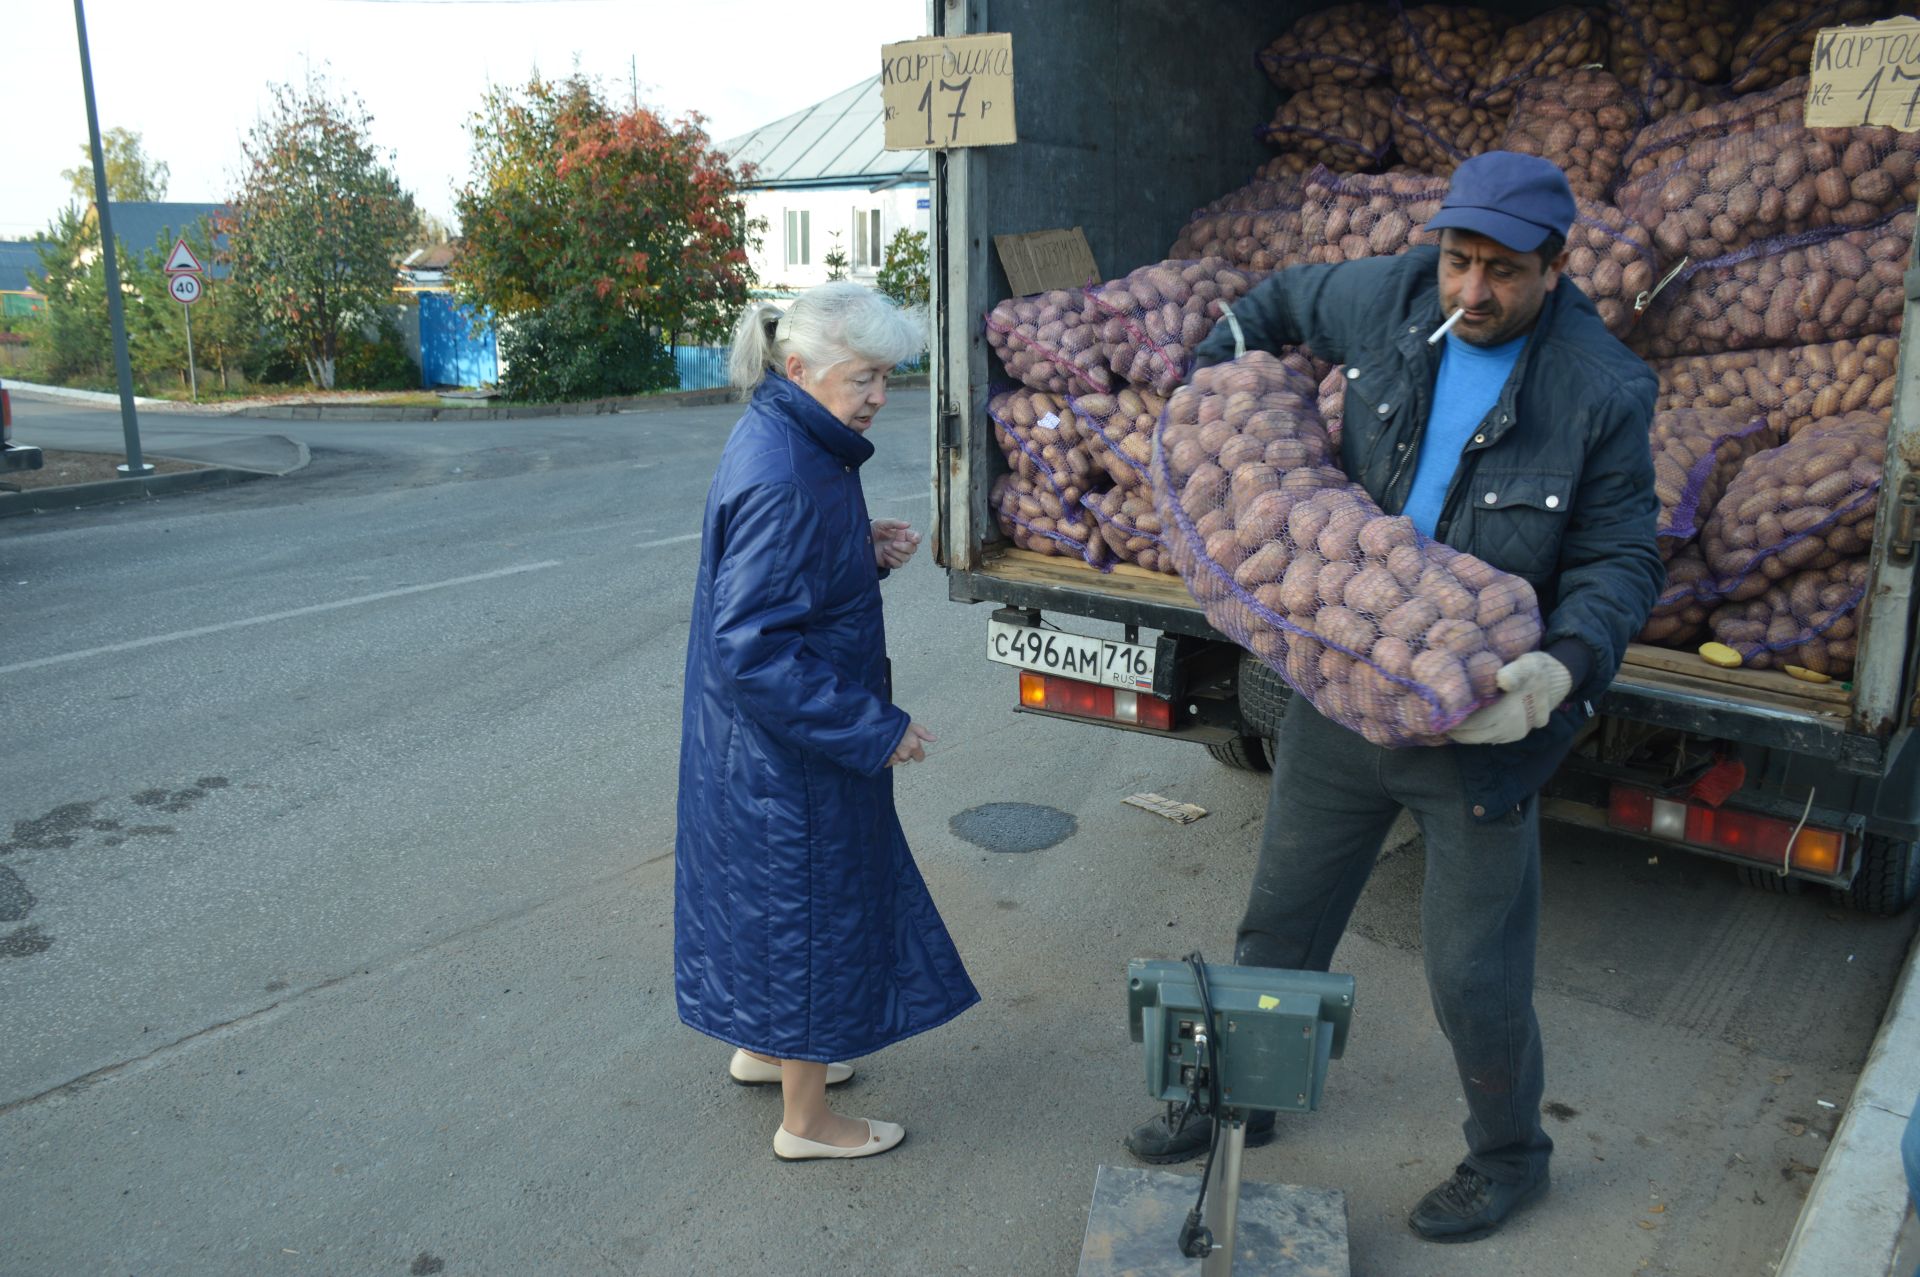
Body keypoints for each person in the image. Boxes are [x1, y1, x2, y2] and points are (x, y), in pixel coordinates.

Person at [1124, 153, 1662, 1243]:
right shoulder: (1395, 293)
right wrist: (1213, 361)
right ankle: (1244, 1098)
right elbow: (1277, 299)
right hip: (1339, 693)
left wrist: (1559, 666)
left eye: (1500, 272)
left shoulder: (1600, 388)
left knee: (1474, 970)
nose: (1470, 291)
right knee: (1281, 918)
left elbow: (1620, 558)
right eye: (1459, 260)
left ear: (1554, 268)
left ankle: (1512, 1153)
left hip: (1476, 729)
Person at [674, 282, 979, 1162]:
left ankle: (768, 1051)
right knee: (813, 914)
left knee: (776, 910)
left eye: (888, 376)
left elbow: (781, 593)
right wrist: (872, 727)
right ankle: (806, 1121)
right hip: (791, 753)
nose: (880, 394)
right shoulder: (789, 473)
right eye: (866, 377)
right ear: (800, 367)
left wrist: (855, 551)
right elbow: (758, 648)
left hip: (756, 746)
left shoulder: (792, 440)